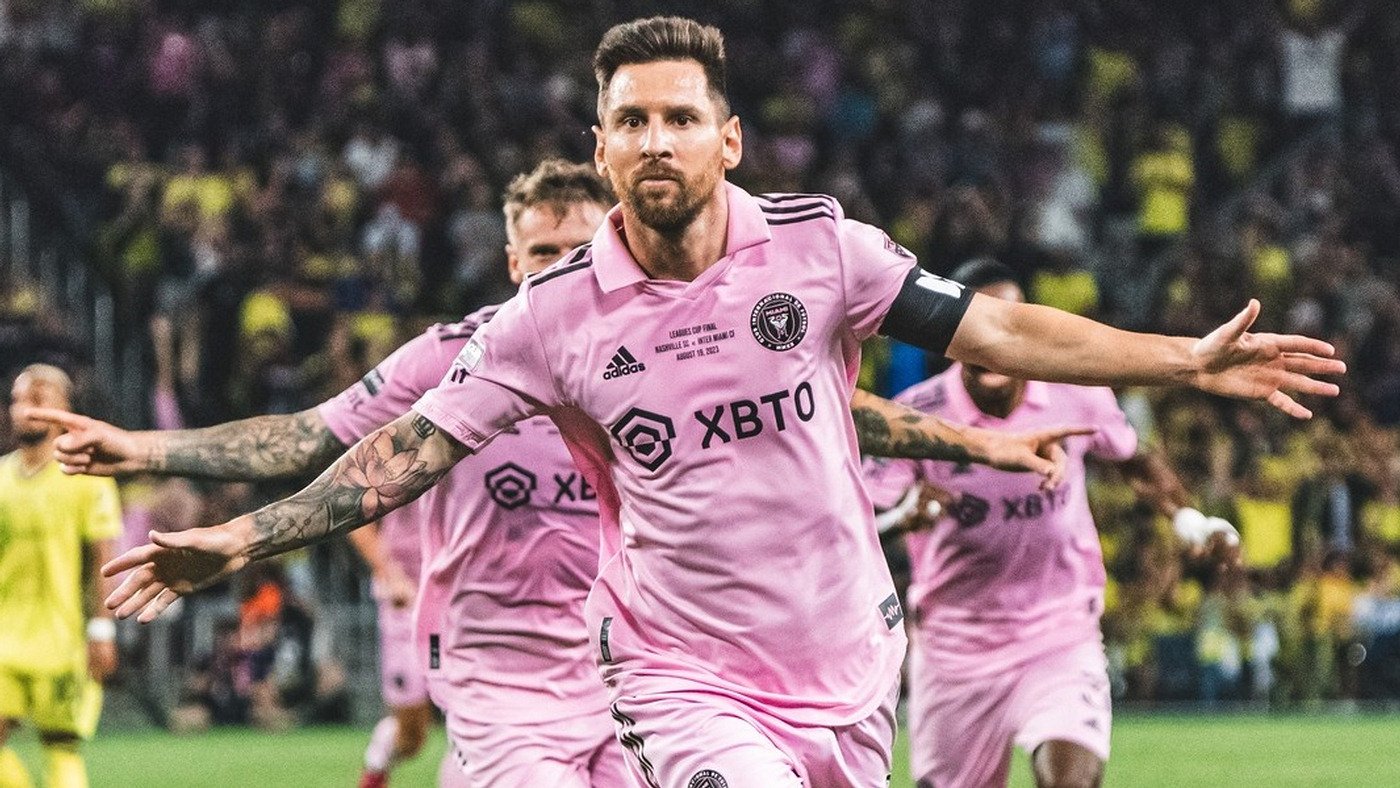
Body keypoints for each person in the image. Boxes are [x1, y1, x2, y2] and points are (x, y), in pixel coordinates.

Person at [98, 17, 1341, 787]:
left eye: (678, 117)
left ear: (727, 138)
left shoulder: (823, 250)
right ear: (601, 147)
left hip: (847, 660)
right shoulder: (548, 320)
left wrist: (1179, 360)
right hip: (677, 668)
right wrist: (239, 536)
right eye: (629, 120)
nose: (655, 139)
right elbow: (399, 453)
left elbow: (998, 326)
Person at [36, 158, 1074, 786]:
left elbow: (837, 413)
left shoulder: (663, 344)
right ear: (509, 261)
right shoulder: (456, 359)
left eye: (578, 247)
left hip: (638, 664)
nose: (560, 268)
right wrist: (151, 449)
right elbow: (312, 436)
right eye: (539, 253)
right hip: (498, 671)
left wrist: (979, 444)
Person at [862, 259, 1240, 788]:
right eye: (977, 329)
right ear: (951, 338)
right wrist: (903, 516)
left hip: (1059, 635)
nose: (992, 347)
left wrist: (1189, 520)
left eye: (1007, 327)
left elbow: (1134, 461)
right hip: (955, 650)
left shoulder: (1075, 393)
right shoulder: (917, 415)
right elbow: (855, 521)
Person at [0, 365, 122, 788]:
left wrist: (102, 630)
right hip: (4, 636)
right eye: (17, 400)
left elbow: (102, 559)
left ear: (65, 410)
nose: (24, 409)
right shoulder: (1, 478)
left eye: (38, 399)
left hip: (63, 639)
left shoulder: (87, 477)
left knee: (60, 747)